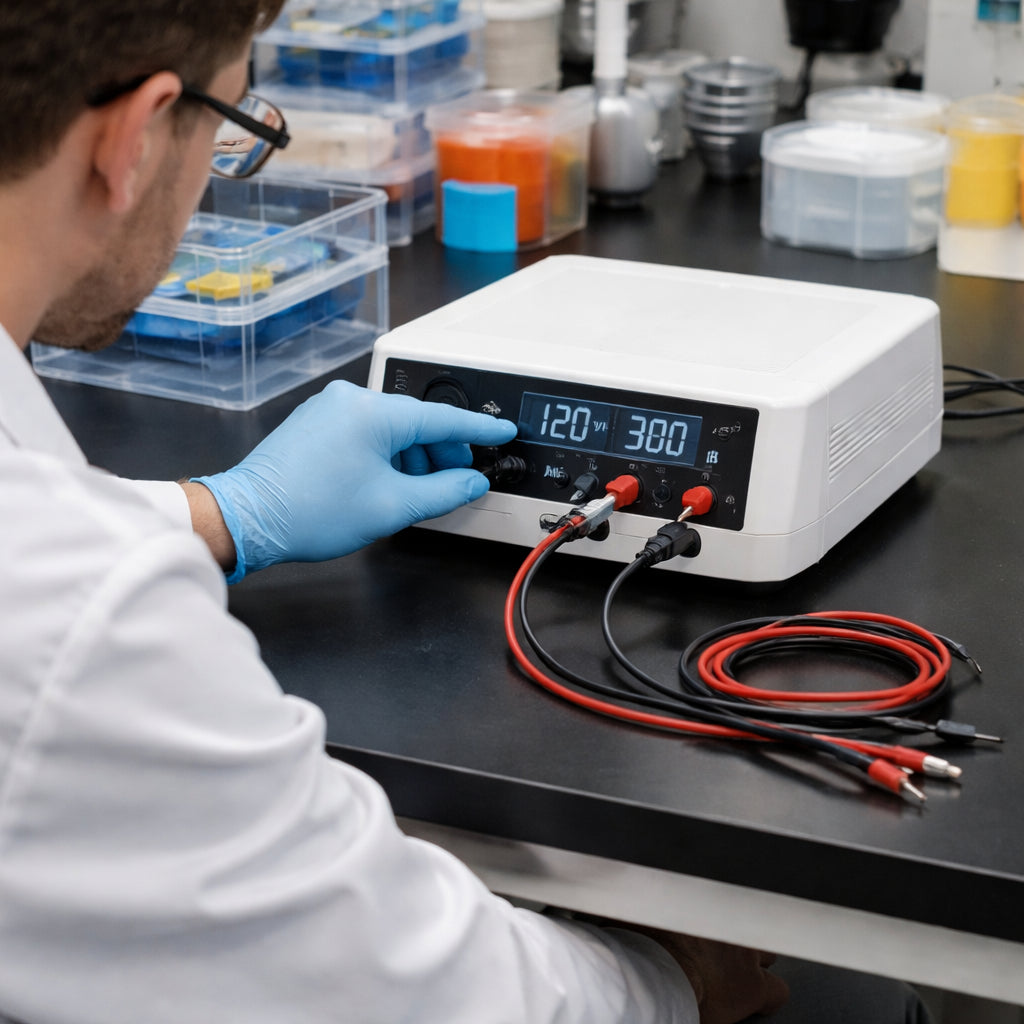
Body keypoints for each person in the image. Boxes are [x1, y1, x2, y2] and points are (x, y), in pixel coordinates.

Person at [0, 2, 932, 1022]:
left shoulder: (58, 570)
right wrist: (677, 980)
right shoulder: (89, 625)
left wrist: (222, 511)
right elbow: (413, 990)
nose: (217, 173)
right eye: (231, 132)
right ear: (135, 139)